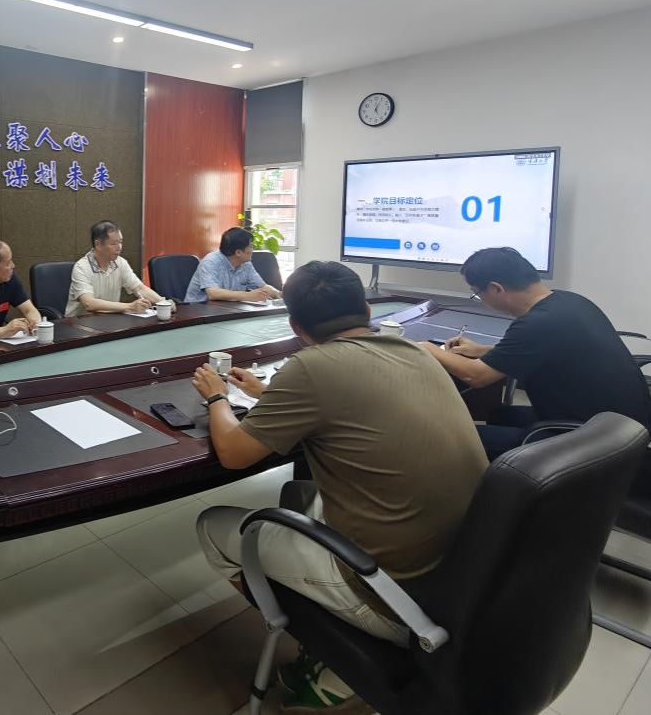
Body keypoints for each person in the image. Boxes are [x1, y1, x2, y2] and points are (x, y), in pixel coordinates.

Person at [192, 260, 486, 712]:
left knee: (213, 526)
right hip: (463, 579)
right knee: (298, 497)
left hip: (394, 599)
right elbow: (349, 402)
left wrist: (216, 396)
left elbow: (233, 452)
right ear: (366, 311)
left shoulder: (310, 366)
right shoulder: (414, 352)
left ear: (296, 327)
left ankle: (331, 647)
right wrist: (266, 395)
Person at [422, 246, 651, 460]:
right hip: (624, 426)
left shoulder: (537, 323)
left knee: (451, 439)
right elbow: (544, 348)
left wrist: (426, 347)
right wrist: (480, 350)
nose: (480, 300)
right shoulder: (568, 301)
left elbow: (476, 376)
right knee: (499, 415)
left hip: (599, 443)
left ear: (496, 288)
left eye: (477, 294)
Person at [65, 221, 169, 318]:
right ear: (98, 244)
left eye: (120, 242)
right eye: (113, 244)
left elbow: (139, 288)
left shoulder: (120, 263)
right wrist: (129, 307)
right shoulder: (82, 267)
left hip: (108, 320)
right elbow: (89, 303)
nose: (119, 247)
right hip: (79, 322)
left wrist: (163, 303)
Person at [185, 226, 282, 305]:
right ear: (238, 252)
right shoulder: (210, 262)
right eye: (251, 246)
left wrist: (278, 294)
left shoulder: (246, 264)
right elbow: (213, 293)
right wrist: (248, 296)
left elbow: (262, 286)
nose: (252, 249)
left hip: (227, 309)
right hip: (198, 311)